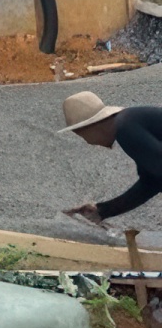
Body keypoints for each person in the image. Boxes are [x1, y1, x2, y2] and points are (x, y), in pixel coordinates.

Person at [59, 92, 162, 231]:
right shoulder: (130, 123)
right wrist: (102, 211)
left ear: (91, 126)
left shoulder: (126, 128)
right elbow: (151, 182)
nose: (89, 142)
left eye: (82, 135)